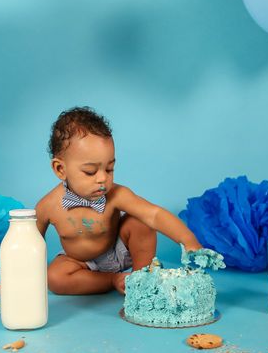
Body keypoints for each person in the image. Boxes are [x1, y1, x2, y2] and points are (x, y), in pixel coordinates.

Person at [36, 106, 202, 295]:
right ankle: (113, 280)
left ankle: (142, 279)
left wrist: (189, 240)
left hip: (119, 251)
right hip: (81, 263)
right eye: (90, 172)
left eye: (109, 169)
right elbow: (28, 246)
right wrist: (14, 280)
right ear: (60, 169)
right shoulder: (48, 206)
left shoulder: (116, 194)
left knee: (140, 221)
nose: (102, 179)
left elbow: (154, 215)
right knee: (55, 278)